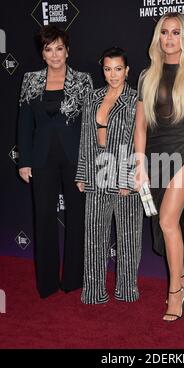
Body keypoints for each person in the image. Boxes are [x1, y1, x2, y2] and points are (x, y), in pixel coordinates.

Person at [134, 12, 184, 321]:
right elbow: (140, 126)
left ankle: (175, 293)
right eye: (164, 32)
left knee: (167, 221)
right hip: (155, 155)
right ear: (158, 37)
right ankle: (182, 278)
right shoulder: (146, 75)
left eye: (176, 32)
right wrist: (139, 163)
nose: (169, 38)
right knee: (164, 226)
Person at [18, 25, 93, 298]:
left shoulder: (83, 80)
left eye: (59, 48)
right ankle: (47, 283)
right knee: (44, 218)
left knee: (77, 219)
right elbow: (25, 123)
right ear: (42, 53)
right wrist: (24, 161)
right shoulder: (30, 80)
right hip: (41, 158)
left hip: (74, 158)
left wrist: (87, 163)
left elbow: (88, 126)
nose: (54, 54)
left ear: (67, 50)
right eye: (48, 49)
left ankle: (73, 278)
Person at [76, 47, 143, 304]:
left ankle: (127, 289)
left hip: (124, 175)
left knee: (128, 238)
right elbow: (85, 138)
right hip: (95, 173)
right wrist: (82, 173)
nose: (112, 74)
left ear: (127, 71)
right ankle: (94, 292)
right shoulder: (92, 98)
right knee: (94, 237)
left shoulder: (136, 99)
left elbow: (139, 142)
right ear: (102, 70)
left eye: (118, 69)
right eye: (107, 69)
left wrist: (128, 178)